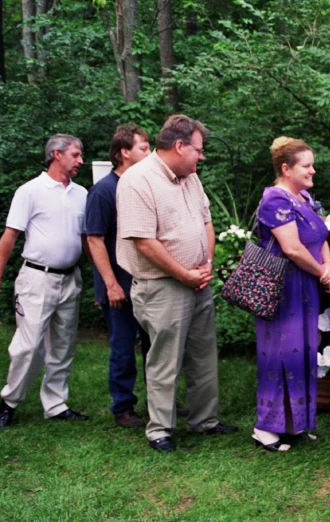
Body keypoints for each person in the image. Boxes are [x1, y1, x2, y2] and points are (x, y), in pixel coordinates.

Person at [116, 114, 238, 452]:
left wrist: (206, 264)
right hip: (162, 286)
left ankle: (205, 421)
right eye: (198, 150)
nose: (202, 156)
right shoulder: (137, 181)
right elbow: (143, 241)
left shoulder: (190, 178)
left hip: (197, 281)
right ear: (180, 145)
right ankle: (160, 430)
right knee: (165, 359)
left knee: (202, 354)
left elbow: (206, 222)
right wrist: (183, 274)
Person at [0, 134, 89, 428]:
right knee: (29, 345)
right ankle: (9, 402)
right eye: (75, 155)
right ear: (56, 154)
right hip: (37, 278)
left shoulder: (81, 194)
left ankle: (56, 404)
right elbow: (10, 236)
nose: (80, 161)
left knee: (63, 344)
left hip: (70, 278)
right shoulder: (30, 191)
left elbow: (87, 239)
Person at [251, 137, 330, 452]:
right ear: (286, 169)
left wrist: (327, 264)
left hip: (306, 284)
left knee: (302, 351)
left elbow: (320, 234)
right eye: (307, 165)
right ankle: (265, 426)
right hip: (283, 287)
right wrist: (322, 271)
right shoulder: (275, 200)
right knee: (279, 354)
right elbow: (292, 248)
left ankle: (293, 423)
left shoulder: (303, 196)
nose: (313, 170)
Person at [85, 124, 152, 428]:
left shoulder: (144, 186)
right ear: (124, 152)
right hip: (119, 287)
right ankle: (123, 408)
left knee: (155, 346)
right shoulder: (103, 190)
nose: (149, 152)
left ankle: (160, 400)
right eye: (143, 147)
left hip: (148, 282)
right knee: (124, 349)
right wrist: (111, 285)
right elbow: (94, 239)